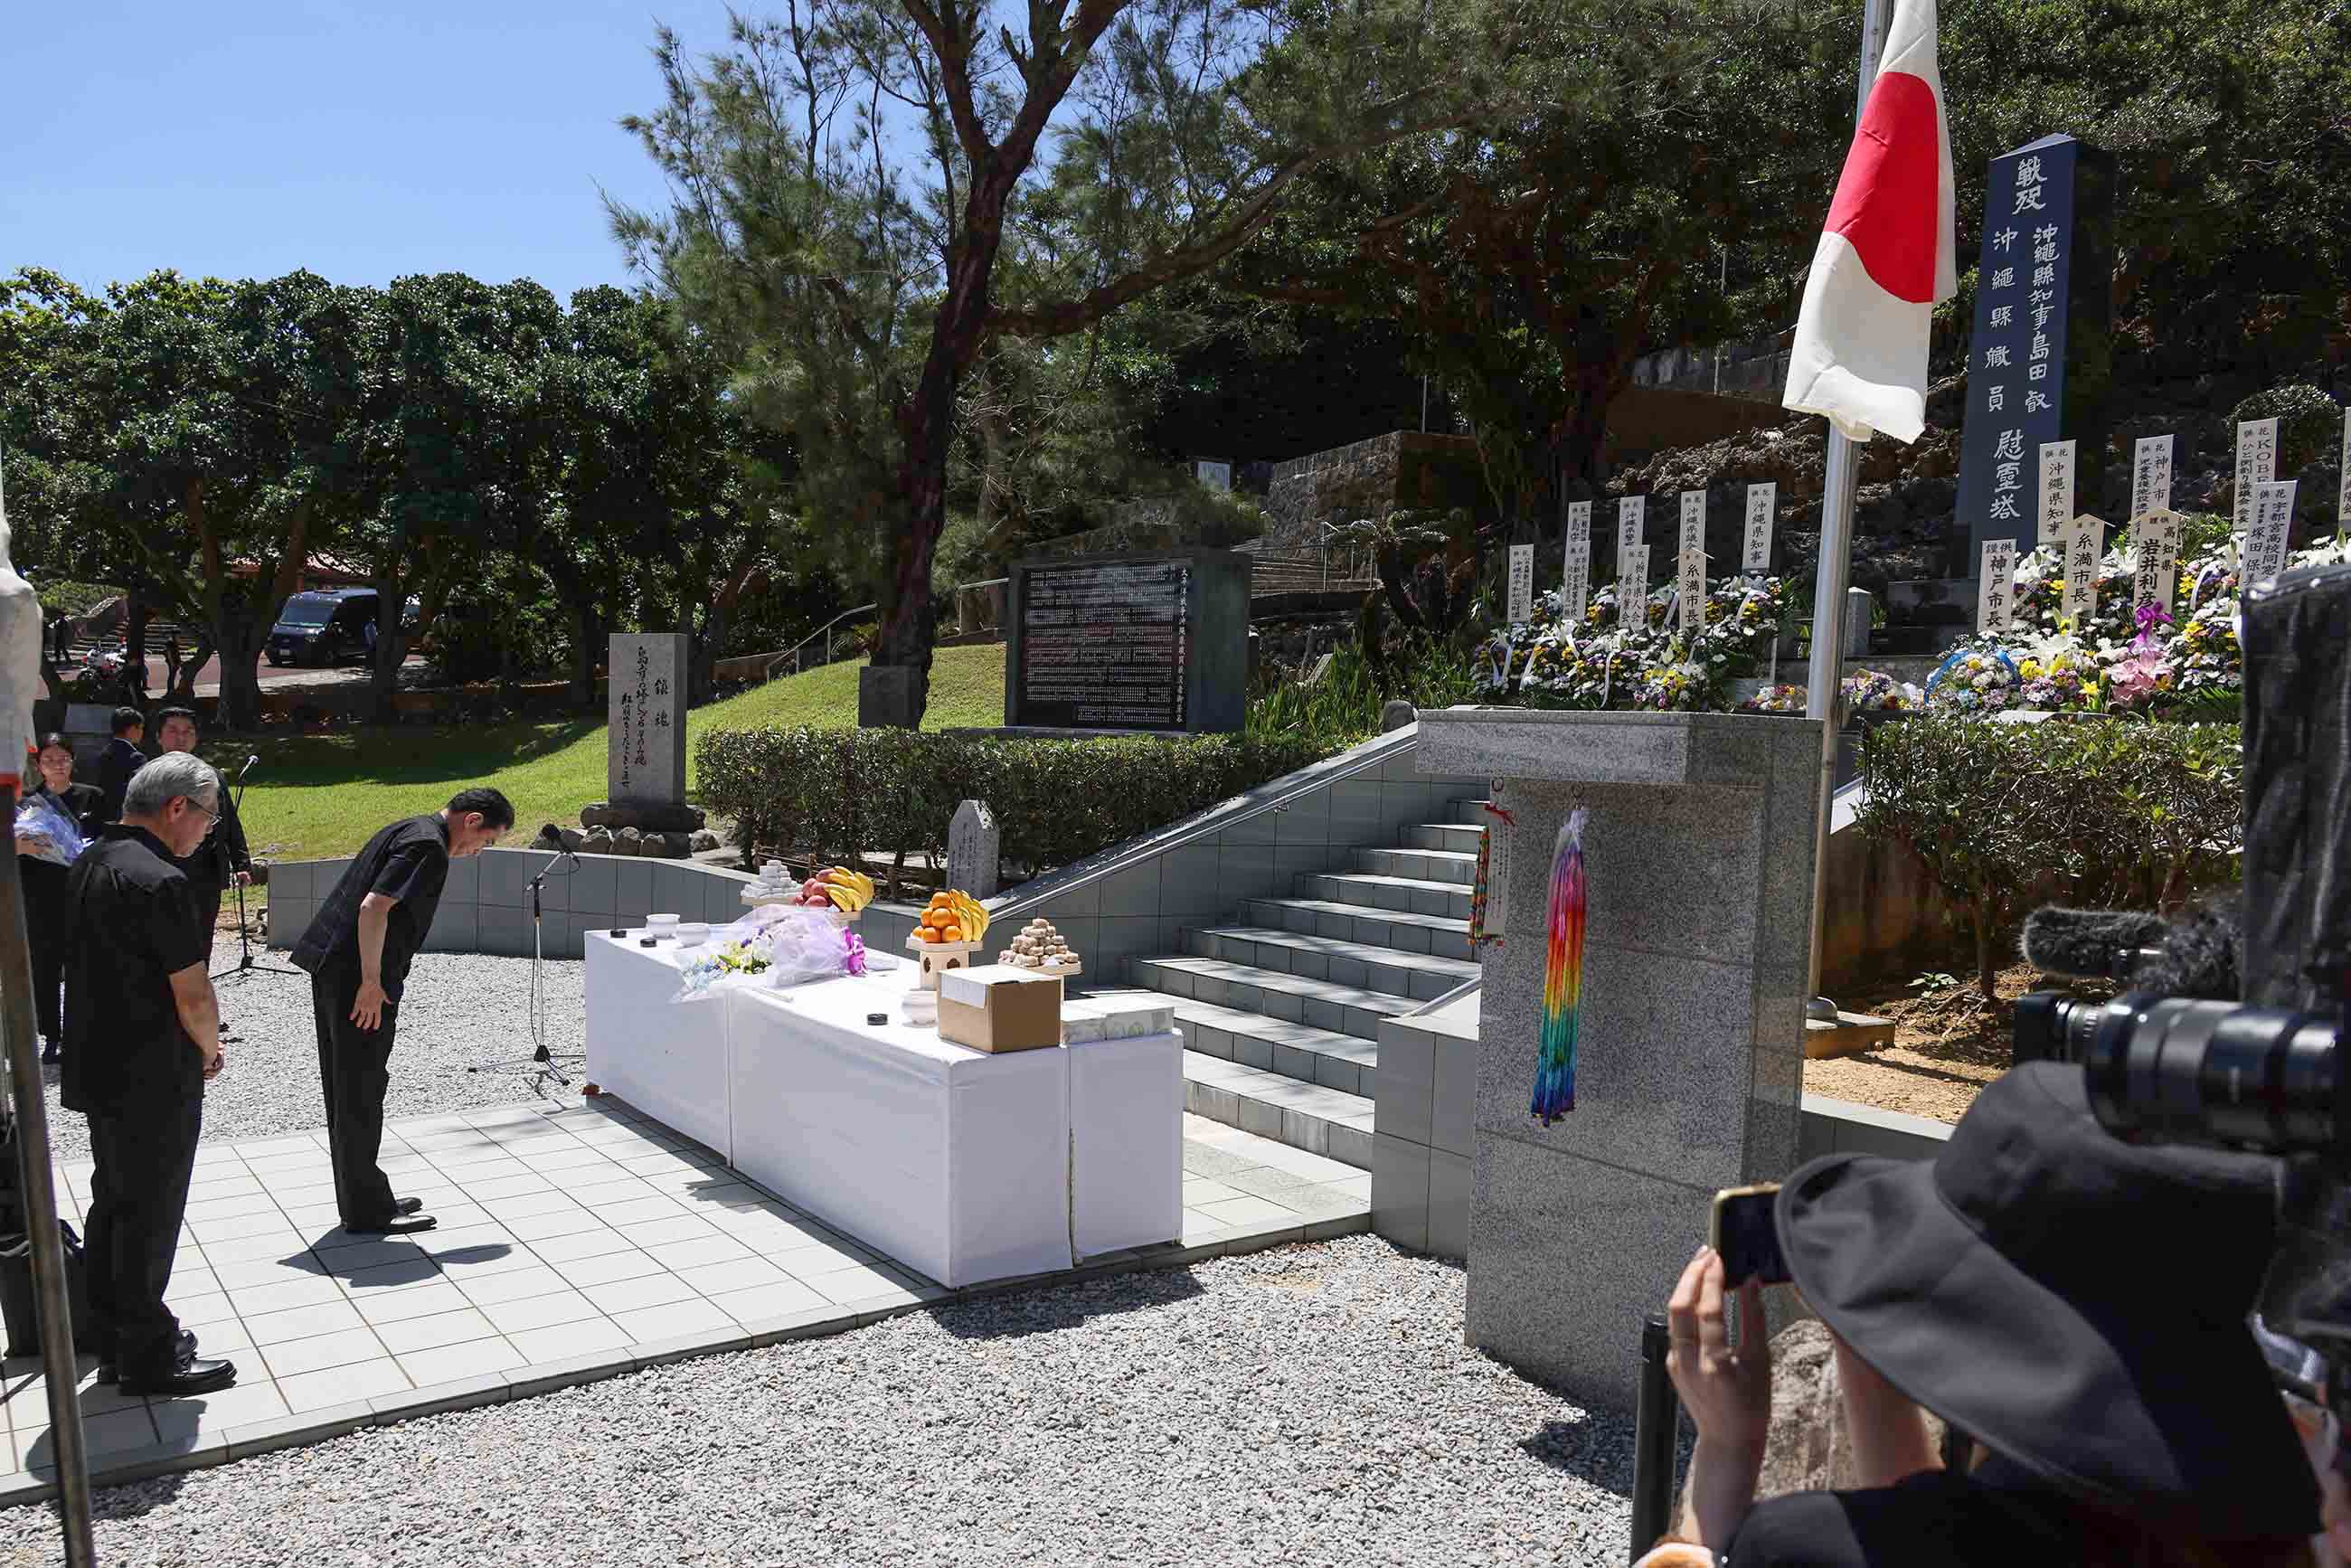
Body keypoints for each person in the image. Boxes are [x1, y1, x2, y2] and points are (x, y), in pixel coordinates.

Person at [1657, 1062, 2318, 1567]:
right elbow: (1947, 1528)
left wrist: (1728, 1449)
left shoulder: (1803, 1548)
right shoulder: (2271, 1539)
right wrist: (1865, 1342)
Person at [61, 751, 236, 1397]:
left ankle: (113, 1330)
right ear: (177, 808)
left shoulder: (90, 860)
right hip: (151, 1069)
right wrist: (211, 1047)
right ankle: (145, 1351)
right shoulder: (161, 881)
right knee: (151, 1209)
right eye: (208, 819)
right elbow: (191, 993)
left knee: (115, 1199)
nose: (206, 832)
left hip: (98, 1060)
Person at [290, 788, 513, 1236]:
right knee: (360, 1089)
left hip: (335, 966)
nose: (478, 852)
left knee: (349, 1086)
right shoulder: (428, 846)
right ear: (471, 820)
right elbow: (374, 907)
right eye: (486, 841)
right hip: (357, 979)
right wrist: (371, 984)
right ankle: (366, 1210)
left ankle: (364, 1194)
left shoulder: (410, 827)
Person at [15, 733, 103, 1062]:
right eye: (49, 759)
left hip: (83, 891)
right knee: (45, 968)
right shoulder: (26, 802)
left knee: (84, 964)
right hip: (41, 895)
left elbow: (107, 837)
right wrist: (19, 846)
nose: (57, 765)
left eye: (63, 758)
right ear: (39, 765)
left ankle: (82, 1032)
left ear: (73, 761)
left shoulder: (92, 797)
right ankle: (51, 1034)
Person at [154, 707, 250, 948]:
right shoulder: (145, 778)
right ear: (158, 736)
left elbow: (229, 821)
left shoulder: (212, 776)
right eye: (173, 731)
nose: (181, 738)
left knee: (201, 937)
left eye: (188, 732)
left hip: (205, 873)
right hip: (160, 870)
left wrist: (241, 864)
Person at [95, 705, 145, 822]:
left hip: (104, 814)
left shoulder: (104, 753)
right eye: (141, 728)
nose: (142, 732)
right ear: (132, 729)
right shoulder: (136, 758)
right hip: (126, 816)